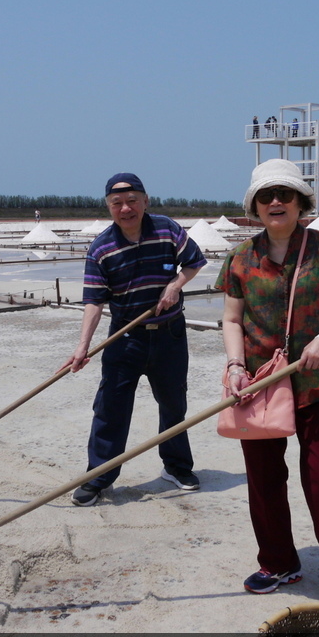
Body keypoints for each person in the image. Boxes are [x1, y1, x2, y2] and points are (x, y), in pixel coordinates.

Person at [214, 158, 319, 609]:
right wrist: (235, 366)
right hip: (260, 383)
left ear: (301, 202)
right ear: (256, 206)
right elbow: (230, 319)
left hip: (317, 381)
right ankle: (278, 562)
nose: (276, 202)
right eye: (267, 196)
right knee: (263, 478)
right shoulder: (241, 257)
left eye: (285, 194)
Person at [62, 172, 207, 506]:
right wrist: (82, 346)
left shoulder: (167, 229)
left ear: (145, 201)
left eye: (132, 201)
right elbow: (94, 301)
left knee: (173, 404)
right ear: (109, 207)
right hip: (125, 337)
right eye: (117, 203)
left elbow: (194, 262)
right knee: (111, 408)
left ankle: (177, 467)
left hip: (169, 335)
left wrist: (174, 286)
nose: (125, 209)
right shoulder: (101, 248)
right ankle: (98, 478)